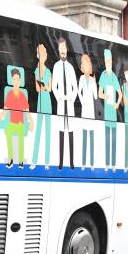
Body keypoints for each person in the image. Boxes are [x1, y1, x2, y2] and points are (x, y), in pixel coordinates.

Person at [0, 68, 33, 169]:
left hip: (20, 123)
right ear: (12, 81)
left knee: (21, 141)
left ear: (20, 80)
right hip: (12, 123)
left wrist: (31, 121)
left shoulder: (22, 95)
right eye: (14, 79)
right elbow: (5, 110)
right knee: (8, 132)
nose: (15, 81)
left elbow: (27, 111)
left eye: (17, 79)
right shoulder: (10, 94)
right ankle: (11, 159)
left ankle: (20, 161)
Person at [51, 37, 78, 170]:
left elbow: (75, 86)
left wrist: (71, 98)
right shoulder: (56, 67)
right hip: (61, 103)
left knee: (70, 132)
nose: (62, 49)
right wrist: (60, 98)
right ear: (58, 49)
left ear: (66, 49)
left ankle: (72, 162)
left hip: (70, 103)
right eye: (60, 47)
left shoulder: (71, 67)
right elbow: (54, 87)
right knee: (61, 132)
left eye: (64, 47)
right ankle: (61, 162)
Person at [32, 44, 53, 169]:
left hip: (47, 102)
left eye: (44, 55)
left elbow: (50, 89)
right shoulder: (36, 71)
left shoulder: (49, 71)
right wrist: (41, 87)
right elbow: (36, 88)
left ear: (46, 56)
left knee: (47, 133)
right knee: (38, 132)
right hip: (40, 101)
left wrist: (45, 87)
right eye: (40, 55)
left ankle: (47, 162)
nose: (42, 57)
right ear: (37, 56)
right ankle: (34, 161)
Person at [76, 53, 97, 169]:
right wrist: (83, 100)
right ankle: (84, 163)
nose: (87, 67)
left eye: (88, 64)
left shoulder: (92, 80)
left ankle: (92, 163)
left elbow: (95, 97)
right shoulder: (82, 78)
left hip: (91, 111)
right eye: (84, 65)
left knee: (91, 137)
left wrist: (94, 83)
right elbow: (79, 92)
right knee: (85, 137)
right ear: (82, 68)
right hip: (85, 109)